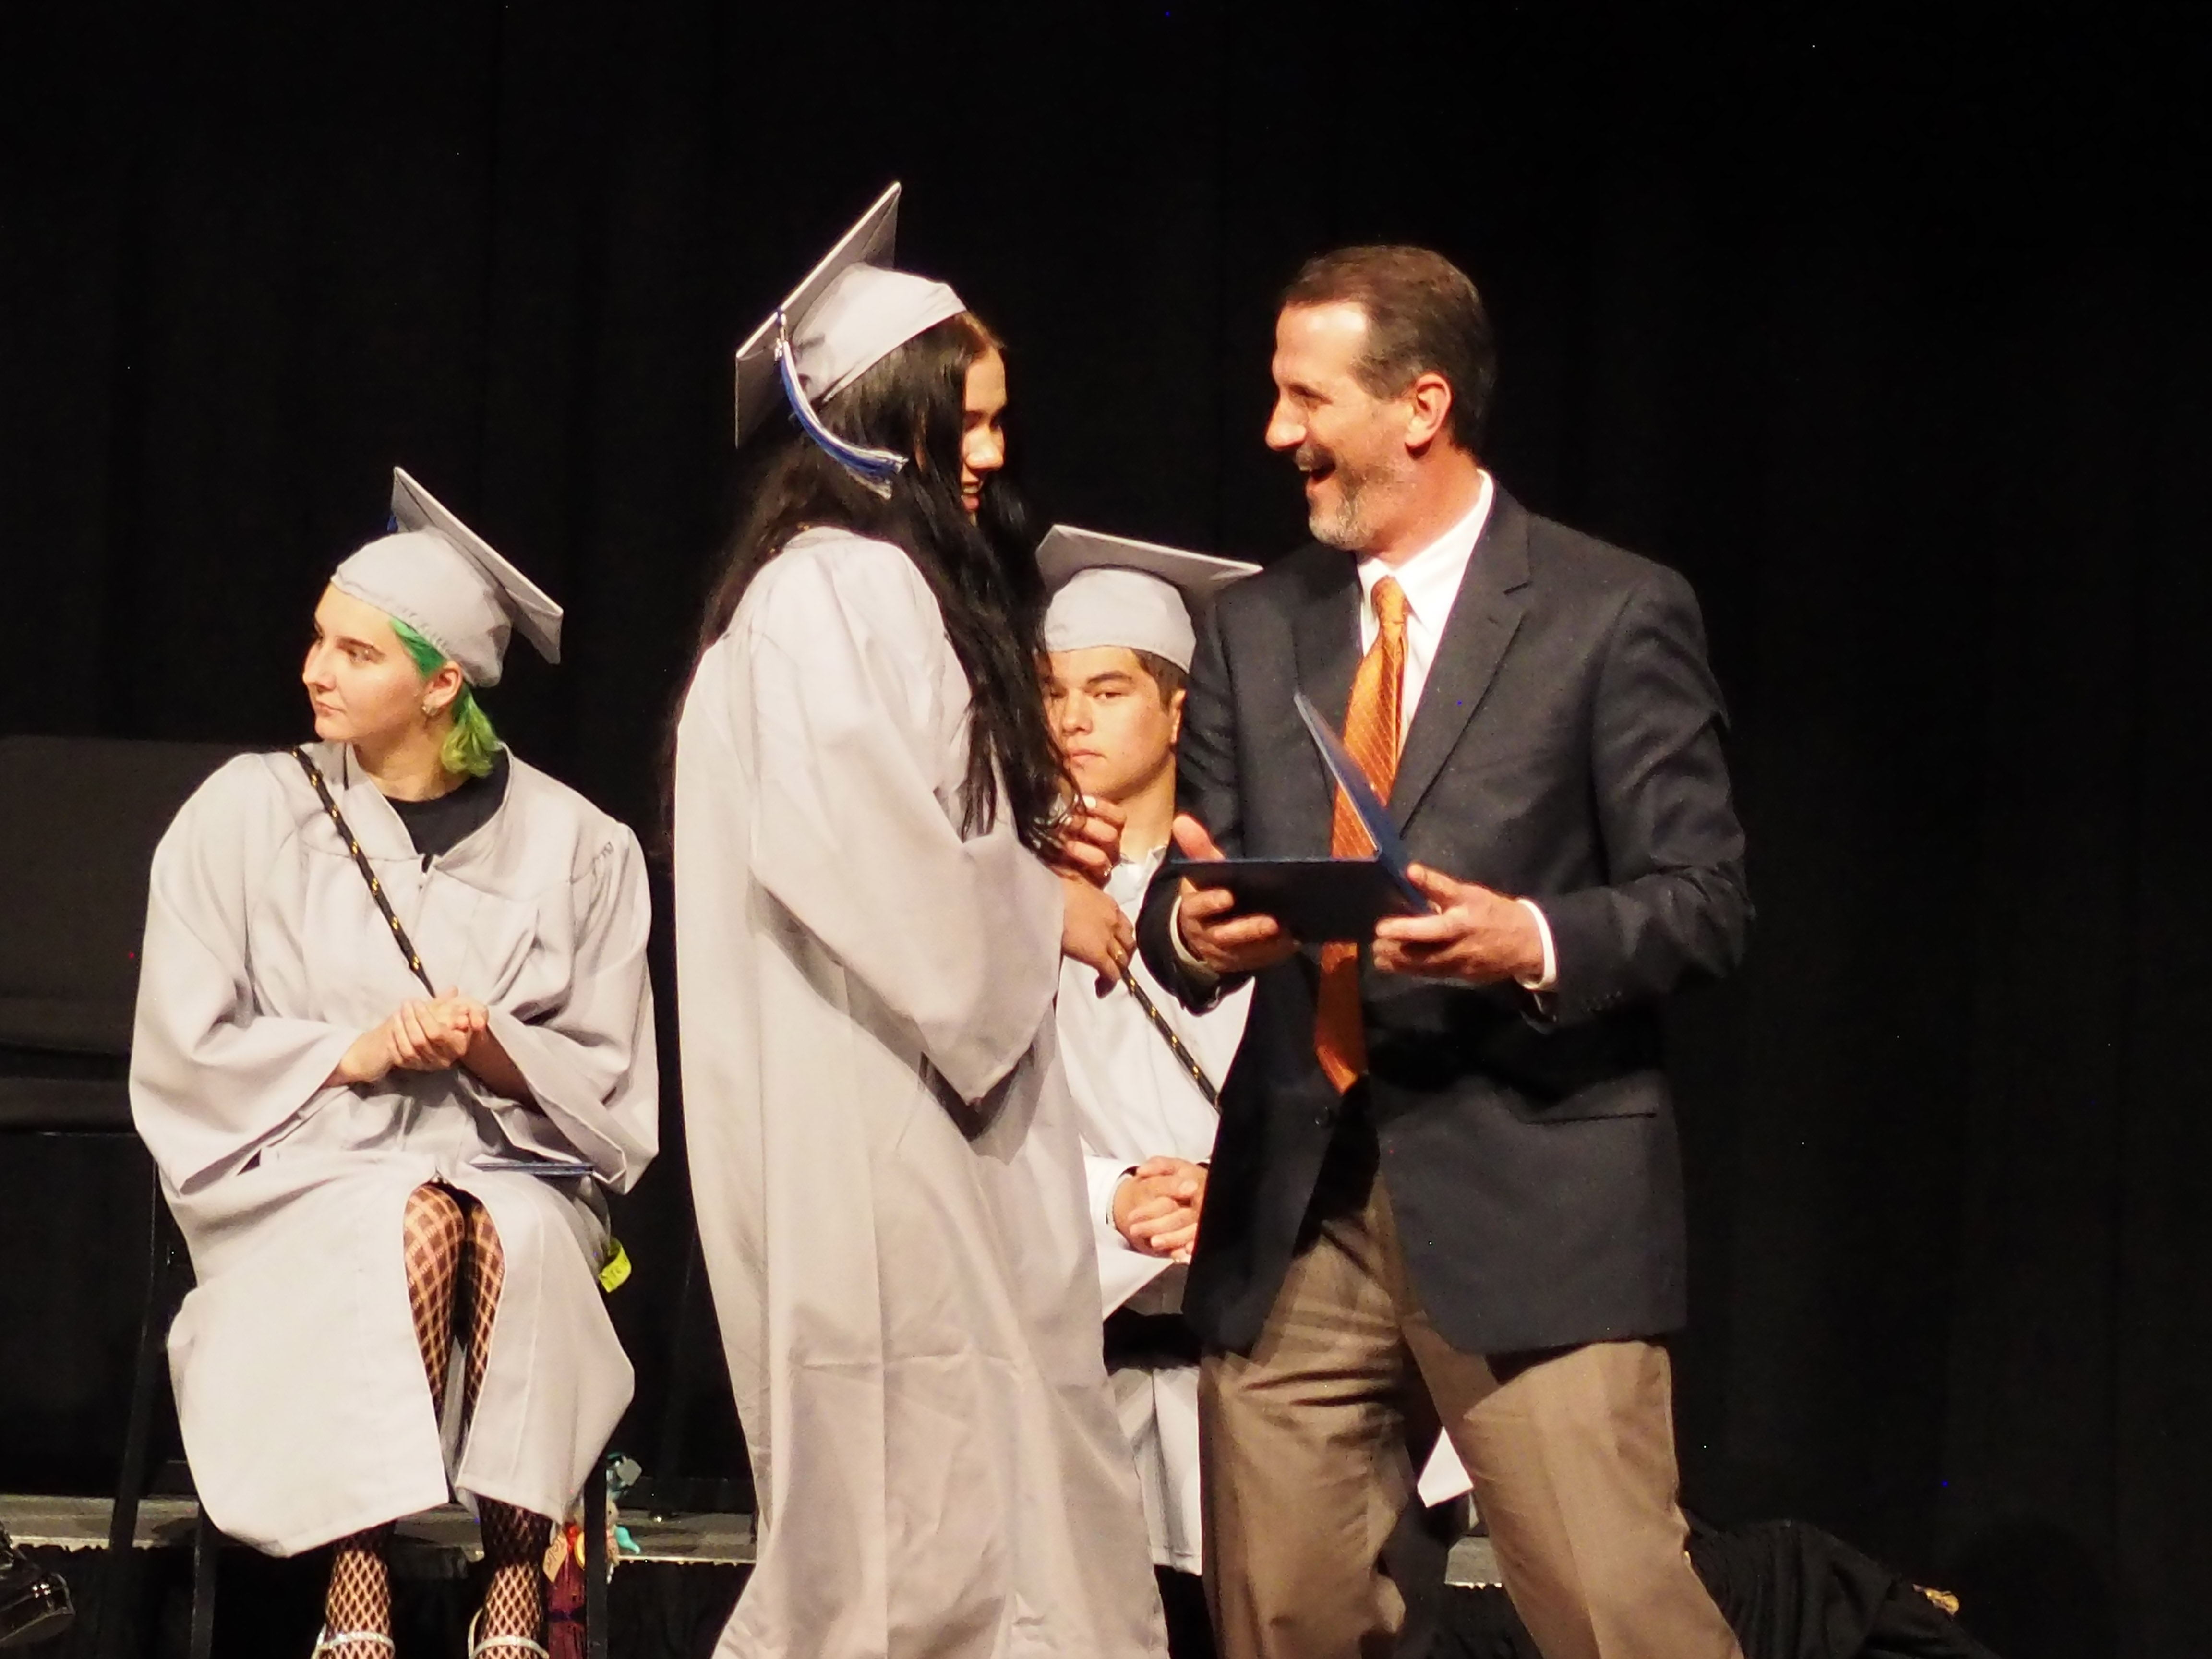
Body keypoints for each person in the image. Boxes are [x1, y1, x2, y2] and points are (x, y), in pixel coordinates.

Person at [1137, 245, 1753, 1659]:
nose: (1277, 431)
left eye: (1308, 397)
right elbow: (1190, 907)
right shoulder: (1253, 627)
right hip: (1301, 1196)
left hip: (1530, 1185)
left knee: (1616, 1615)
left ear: (1421, 407)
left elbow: (1703, 899)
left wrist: (1526, 937)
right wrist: (1195, 923)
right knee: (1286, 1616)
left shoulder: (1610, 612)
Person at [673, 185, 1166, 1659]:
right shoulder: (845, 589)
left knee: (948, 1497)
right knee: (926, 1521)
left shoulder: (818, 594)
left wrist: (1013, 846)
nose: (1000, 452)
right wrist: (1046, 906)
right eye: (978, 418)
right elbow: (875, 863)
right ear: (893, 423)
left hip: (892, 1095)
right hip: (886, 1114)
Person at [130, 469, 659, 1659]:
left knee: (506, 1226)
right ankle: (356, 1579)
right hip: (300, 1175)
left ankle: (514, 1579)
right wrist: (354, 1051)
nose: (316, 669)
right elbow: (182, 1045)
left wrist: (497, 1051)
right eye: (319, 639)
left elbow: (619, 1100)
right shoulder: (247, 814)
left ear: (441, 683)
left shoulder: (583, 847)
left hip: (514, 1175)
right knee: (412, 1220)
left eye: (356, 652)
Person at [1038, 526, 1259, 1659]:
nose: (1073, 717)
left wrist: (1235, 1191)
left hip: (1244, 1335)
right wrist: (1109, 1196)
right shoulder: (1000, 907)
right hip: (1087, 1333)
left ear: (1177, 710)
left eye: (1109, 688)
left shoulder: (1251, 894)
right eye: (1054, 690)